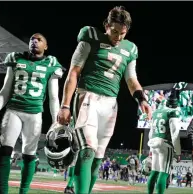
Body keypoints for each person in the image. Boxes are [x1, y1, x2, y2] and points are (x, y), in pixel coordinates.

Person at [58, 5, 152, 194]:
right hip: (87, 97)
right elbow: (74, 72)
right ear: (106, 25)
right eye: (115, 31)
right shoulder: (90, 37)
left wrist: (141, 99)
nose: (118, 37)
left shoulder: (130, 48)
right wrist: (65, 105)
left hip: (110, 104)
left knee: (98, 157)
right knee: (87, 151)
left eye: (122, 33)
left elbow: (131, 79)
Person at [0, 33, 64, 194]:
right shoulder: (16, 58)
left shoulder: (51, 62)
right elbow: (5, 91)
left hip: (34, 114)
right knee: (5, 151)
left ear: (46, 46)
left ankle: (23, 191)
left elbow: (54, 97)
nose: (34, 41)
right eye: (31, 39)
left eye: (39, 39)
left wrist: (56, 121)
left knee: (29, 155)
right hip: (13, 110)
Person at [147, 91, 182, 194]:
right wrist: (178, 152)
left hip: (153, 142)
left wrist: (150, 148)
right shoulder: (172, 112)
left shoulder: (156, 112)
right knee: (164, 172)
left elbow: (151, 132)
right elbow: (175, 134)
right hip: (165, 144)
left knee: (154, 171)